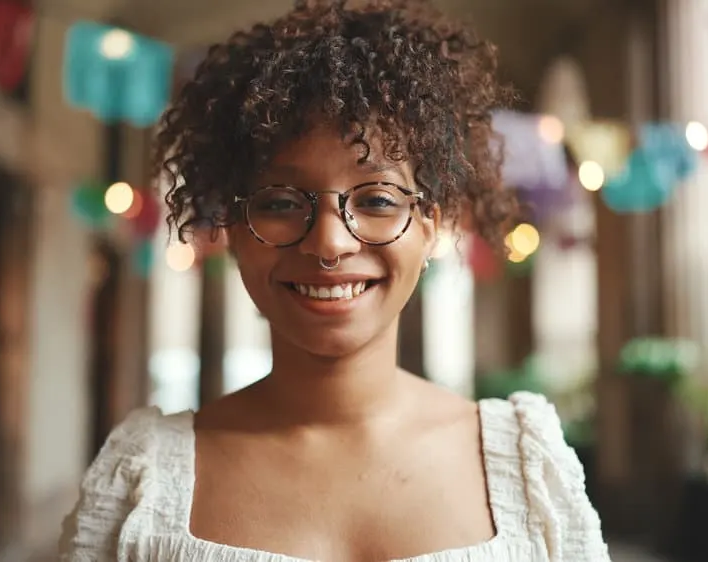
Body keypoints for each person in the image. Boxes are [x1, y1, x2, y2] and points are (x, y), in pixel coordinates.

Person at [59, 1, 610, 561]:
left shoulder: (528, 470)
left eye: (376, 199)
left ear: (434, 223)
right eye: (279, 201)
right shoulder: (142, 485)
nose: (330, 242)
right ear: (230, 227)